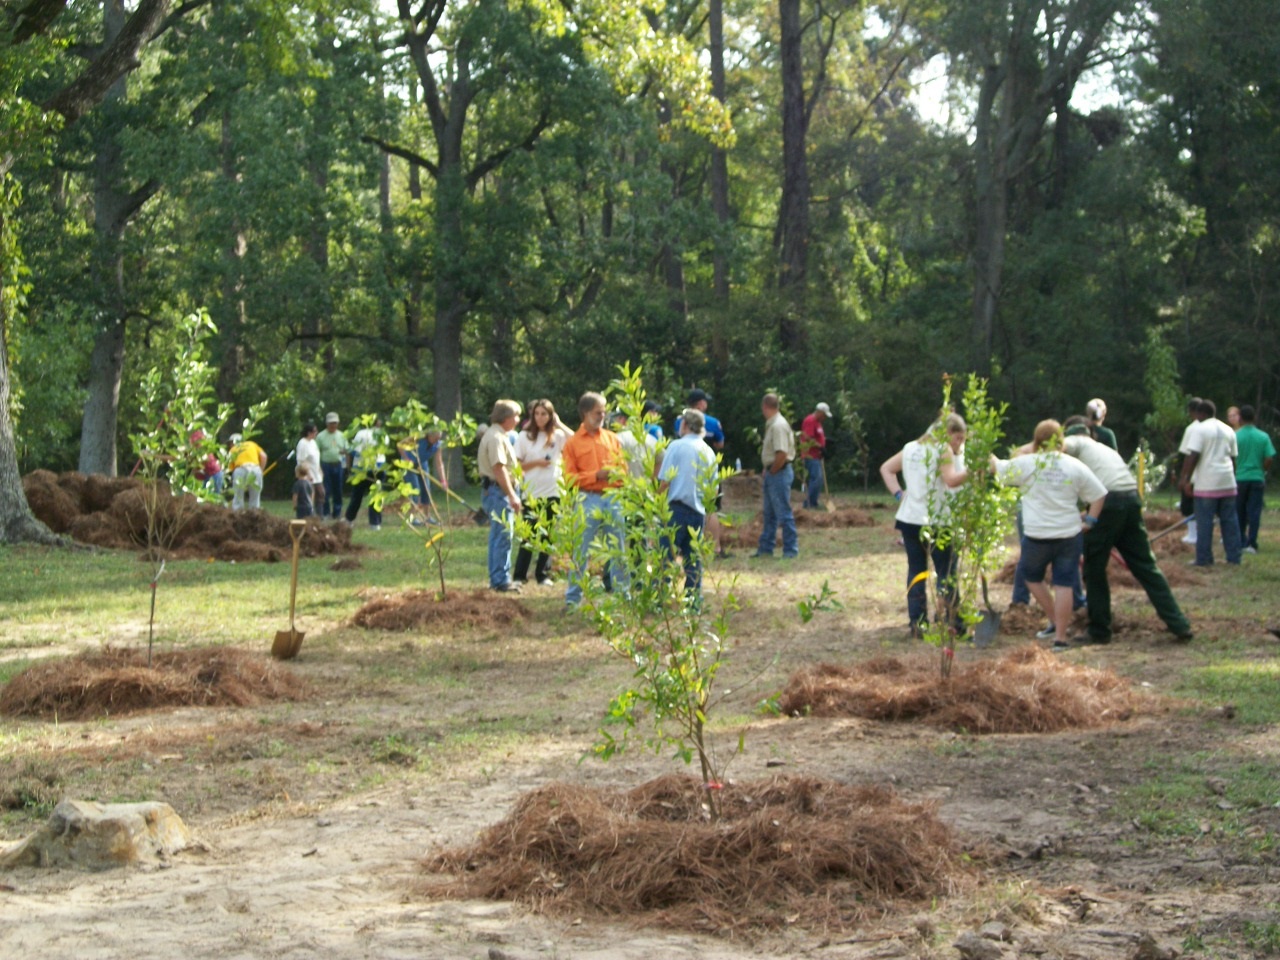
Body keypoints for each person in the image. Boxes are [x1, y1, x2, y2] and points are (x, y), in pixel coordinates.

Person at [1050, 417, 1193, 645]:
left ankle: (1099, 630)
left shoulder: (1076, 442)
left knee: (1094, 569)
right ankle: (1179, 623)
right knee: (1146, 567)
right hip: (1130, 500)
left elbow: (1065, 448)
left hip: (1110, 503)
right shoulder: (1105, 450)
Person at [995, 420, 1107, 650]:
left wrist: (986, 455)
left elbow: (1000, 470)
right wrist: (1091, 520)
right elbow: (1098, 494)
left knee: (1029, 575)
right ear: (1061, 441)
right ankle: (1061, 637)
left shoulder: (1028, 464)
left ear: (1036, 441)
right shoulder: (1074, 465)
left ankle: (1054, 620)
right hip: (1069, 534)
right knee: (1064, 583)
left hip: (1038, 535)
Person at [879, 414, 968, 637]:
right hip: (937, 520)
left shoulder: (910, 447)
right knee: (946, 571)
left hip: (909, 519)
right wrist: (975, 469)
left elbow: (886, 468)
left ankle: (917, 623)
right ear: (947, 433)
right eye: (958, 438)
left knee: (916, 570)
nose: (959, 444)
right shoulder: (942, 449)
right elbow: (950, 480)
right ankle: (953, 623)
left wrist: (900, 494)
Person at [561, 391, 629, 607]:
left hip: (613, 497)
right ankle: (573, 599)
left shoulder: (612, 438)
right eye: (598, 412)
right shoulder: (572, 443)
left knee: (618, 548)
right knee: (581, 550)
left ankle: (623, 596)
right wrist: (594, 476)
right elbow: (568, 478)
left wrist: (616, 475)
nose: (603, 415)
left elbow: (624, 469)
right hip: (587, 498)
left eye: (604, 411)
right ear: (585, 413)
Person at [660, 408, 718, 598]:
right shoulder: (708, 451)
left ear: (685, 425)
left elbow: (665, 481)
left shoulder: (676, 446)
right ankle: (692, 600)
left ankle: (661, 599)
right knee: (693, 559)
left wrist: (656, 507)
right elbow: (713, 490)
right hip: (697, 511)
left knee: (665, 557)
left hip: (675, 509)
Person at [1179, 398, 1242, 566]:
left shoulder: (1200, 429)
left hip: (1208, 483)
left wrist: (1185, 480)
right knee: (1230, 521)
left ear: (1202, 413)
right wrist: (1232, 478)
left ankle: (1204, 558)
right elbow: (1233, 458)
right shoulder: (1229, 430)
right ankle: (1234, 557)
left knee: (1205, 522)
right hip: (1227, 481)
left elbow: (1192, 456)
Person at [513, 399, 569, 585]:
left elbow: (575, 439)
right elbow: (517, 466)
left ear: (550, 415)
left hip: (553, 490)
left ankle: (542, 574)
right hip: (531, 492)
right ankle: (520, 575)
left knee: (548, 534)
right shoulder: (524, 436)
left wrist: (559, 423)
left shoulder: (558, 436)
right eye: (537, 413)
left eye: (544, 414)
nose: (540, 418)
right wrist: (537, 463)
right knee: (528, 534)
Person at [676, 389, 729, 558]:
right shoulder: (712, 422)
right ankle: (715, 548)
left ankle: (681, 547)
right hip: (706, 469)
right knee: (710, 508)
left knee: (682, 506)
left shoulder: (679, 421)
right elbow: (720, 444)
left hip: (683, 470)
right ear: (700, 403)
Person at [478, 400, 524, 592]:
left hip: (495, 491)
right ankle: (500, 580)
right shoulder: (496, 437)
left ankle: (497, 577)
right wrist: (512, 495)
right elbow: (499, 468)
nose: (518, 419)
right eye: (516, 415)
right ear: (506, 418)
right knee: (504, 535)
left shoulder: (497, 434)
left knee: (498, 535)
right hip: (498, 492)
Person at [752, 393, 799, 559]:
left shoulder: (778, 426)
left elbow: (781, 453)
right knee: (770, 514)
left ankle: (790, 549)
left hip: (779, 472)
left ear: (765, 407)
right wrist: (768, 468)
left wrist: (773, 470)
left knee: (783, 513)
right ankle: (766, 548)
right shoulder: (773, 424)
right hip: (774, 471)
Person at [1233, 405, 1274, 554]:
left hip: (1240, 477)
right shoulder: (1263, 436)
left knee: (1239, 511)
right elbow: (1269, 457)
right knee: (1254, 512)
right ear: (1254, 417)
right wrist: (1262, 469)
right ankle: (1252, 543)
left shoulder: (1236, 436)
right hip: (1257, 477)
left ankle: (1241, 541)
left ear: (1240, 418)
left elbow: (1230, 457)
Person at [345, 416, 388, 529]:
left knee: (357, 496)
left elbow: (354, 451)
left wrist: (350, 469)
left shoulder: (360, 434)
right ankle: (375, 523)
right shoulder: (383, 434)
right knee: (376, 495)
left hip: (361, 468)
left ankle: (349, 519)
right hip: (379, 467)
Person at [316, 412, 350, 520]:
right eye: (331, 423)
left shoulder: (342, 435)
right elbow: (316, 452)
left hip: (338, 465)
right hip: (325, 465)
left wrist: (347, 466)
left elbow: (347, 451)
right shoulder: (320, 436)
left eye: (335, 423)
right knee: (325, 489)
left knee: (338, 490)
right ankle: (325, 512)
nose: (333, 425)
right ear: (327, 424)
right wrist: (318, 467)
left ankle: (337, 512)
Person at [800, 402, 832, 509]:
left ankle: (813, 502)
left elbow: (818, 436)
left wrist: (825, 444)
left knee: (818, 479)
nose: (825, 418)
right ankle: (809, 503)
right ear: (819, 412)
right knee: (816, 478)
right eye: (824, 415)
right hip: (810, 455)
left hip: (817, 455)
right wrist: (820, 447)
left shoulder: (818, 423)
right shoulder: (810, 421)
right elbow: (808, 437)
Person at [228, 433, 267, 511]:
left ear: (233, 442)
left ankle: (238, 514)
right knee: (255, 498)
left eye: (230, 443)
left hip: (240, 469)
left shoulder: (233, 449)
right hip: (255, 468)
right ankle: (254, 515)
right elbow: (263, 456)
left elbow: (231, 469)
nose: (230, 445)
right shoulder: (252, 444)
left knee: (238, 496)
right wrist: (260, 471)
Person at [295, 423, 324, 516]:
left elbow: (316, 458)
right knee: (309, 495)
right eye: (314, 431)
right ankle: (310, 515)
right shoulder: (302, 443)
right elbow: (301, 461)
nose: (316, 433)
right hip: (307, 475)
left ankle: (319, 515)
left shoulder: (313, 443)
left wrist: (320, 470)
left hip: (316, 474)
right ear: (309, 432)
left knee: (321, 493)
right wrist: (307, 474)